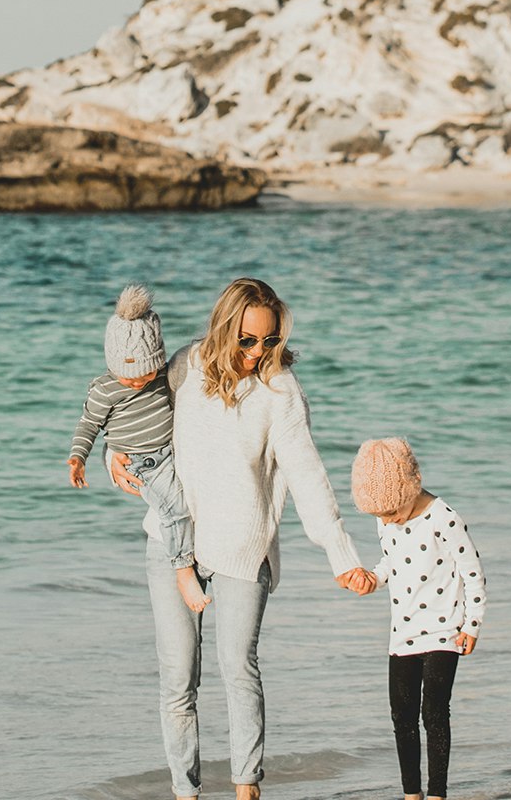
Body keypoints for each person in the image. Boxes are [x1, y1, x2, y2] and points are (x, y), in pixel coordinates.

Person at [108, 277, 371, 800]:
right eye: (248, 340)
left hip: (244, 547)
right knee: (177, 678)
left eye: (269, 341)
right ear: (226, 329)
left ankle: (246, 787)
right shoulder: (184, 365)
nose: (257, 352)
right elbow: (136, 413)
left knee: (237, 668)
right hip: (171, 542)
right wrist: (113, 452)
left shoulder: (280, 391)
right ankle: (186, 792)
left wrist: (341, 555)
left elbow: (306, 475)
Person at [350, 438, 486, 800]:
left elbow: (472, 572)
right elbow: (390, 563)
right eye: (381, 516)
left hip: (445, 630)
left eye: (394, 512)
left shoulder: (444, 517)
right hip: (402, 632)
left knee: (434, 712)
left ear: (412, 485)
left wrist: (472, 623)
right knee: (401, 717)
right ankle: (411, 793)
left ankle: (437, 793)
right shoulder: (387, 519)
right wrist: (373, 579)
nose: (389, 520)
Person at [68, 285, 209, 613]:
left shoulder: (163, 376)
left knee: (189, 500)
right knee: (174, 509)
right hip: (140, 463)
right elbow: (88, 425)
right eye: (126, 376)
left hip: (170, 452)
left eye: (143, 374)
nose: (134, 382)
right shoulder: (106, 390)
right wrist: (79, 457)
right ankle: (182, 568)